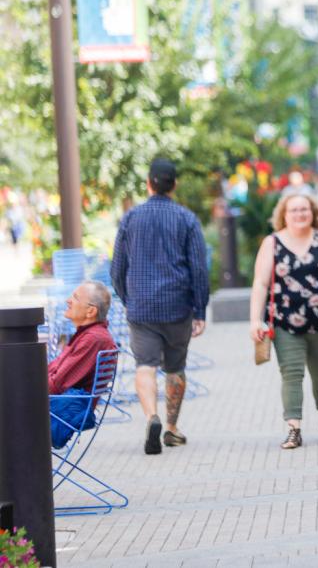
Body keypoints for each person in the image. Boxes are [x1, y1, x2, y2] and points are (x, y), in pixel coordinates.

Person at [111, 158, 209, 455]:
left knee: (145, 366)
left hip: (141, 308)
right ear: (174, 185)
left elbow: (117, 268)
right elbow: (199, 268)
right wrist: (200, 309)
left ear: (148, 183)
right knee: (175, 368)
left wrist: (128, 299)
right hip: (177, 306)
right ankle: (171, 428)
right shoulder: (187, 219)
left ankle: (151, 415)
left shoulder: (130, 218)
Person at [249, 192, 318, 449]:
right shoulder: (272, 243)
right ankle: (294, 427)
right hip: (285, 322)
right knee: (291, 373)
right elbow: (261, 283)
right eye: (294, 210)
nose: (300, 214)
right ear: (283, 215)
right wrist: (255, 320)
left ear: (314, 212)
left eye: (304, 210)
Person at [48, 281, 116, 448]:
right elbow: (54, 372)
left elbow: (56, 385)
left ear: (91, 311)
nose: (68, 301)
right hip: (57, 406)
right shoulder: (88, 335)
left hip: (58, 412)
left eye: (75, 298)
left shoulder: (93, 339)